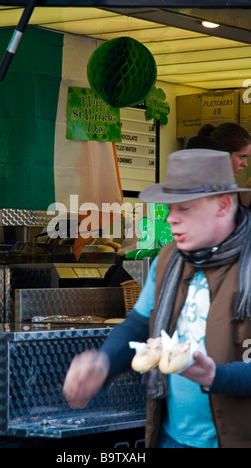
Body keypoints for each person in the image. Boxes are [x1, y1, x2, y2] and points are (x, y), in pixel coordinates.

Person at [63, 148, 251, 449]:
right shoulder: (169, 259)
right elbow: (138, 324)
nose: (171, 218)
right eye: (169, 207)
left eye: (184, 208)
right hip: (170, 438)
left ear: (222, 205)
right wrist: (103, 363)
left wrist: (217, 376)